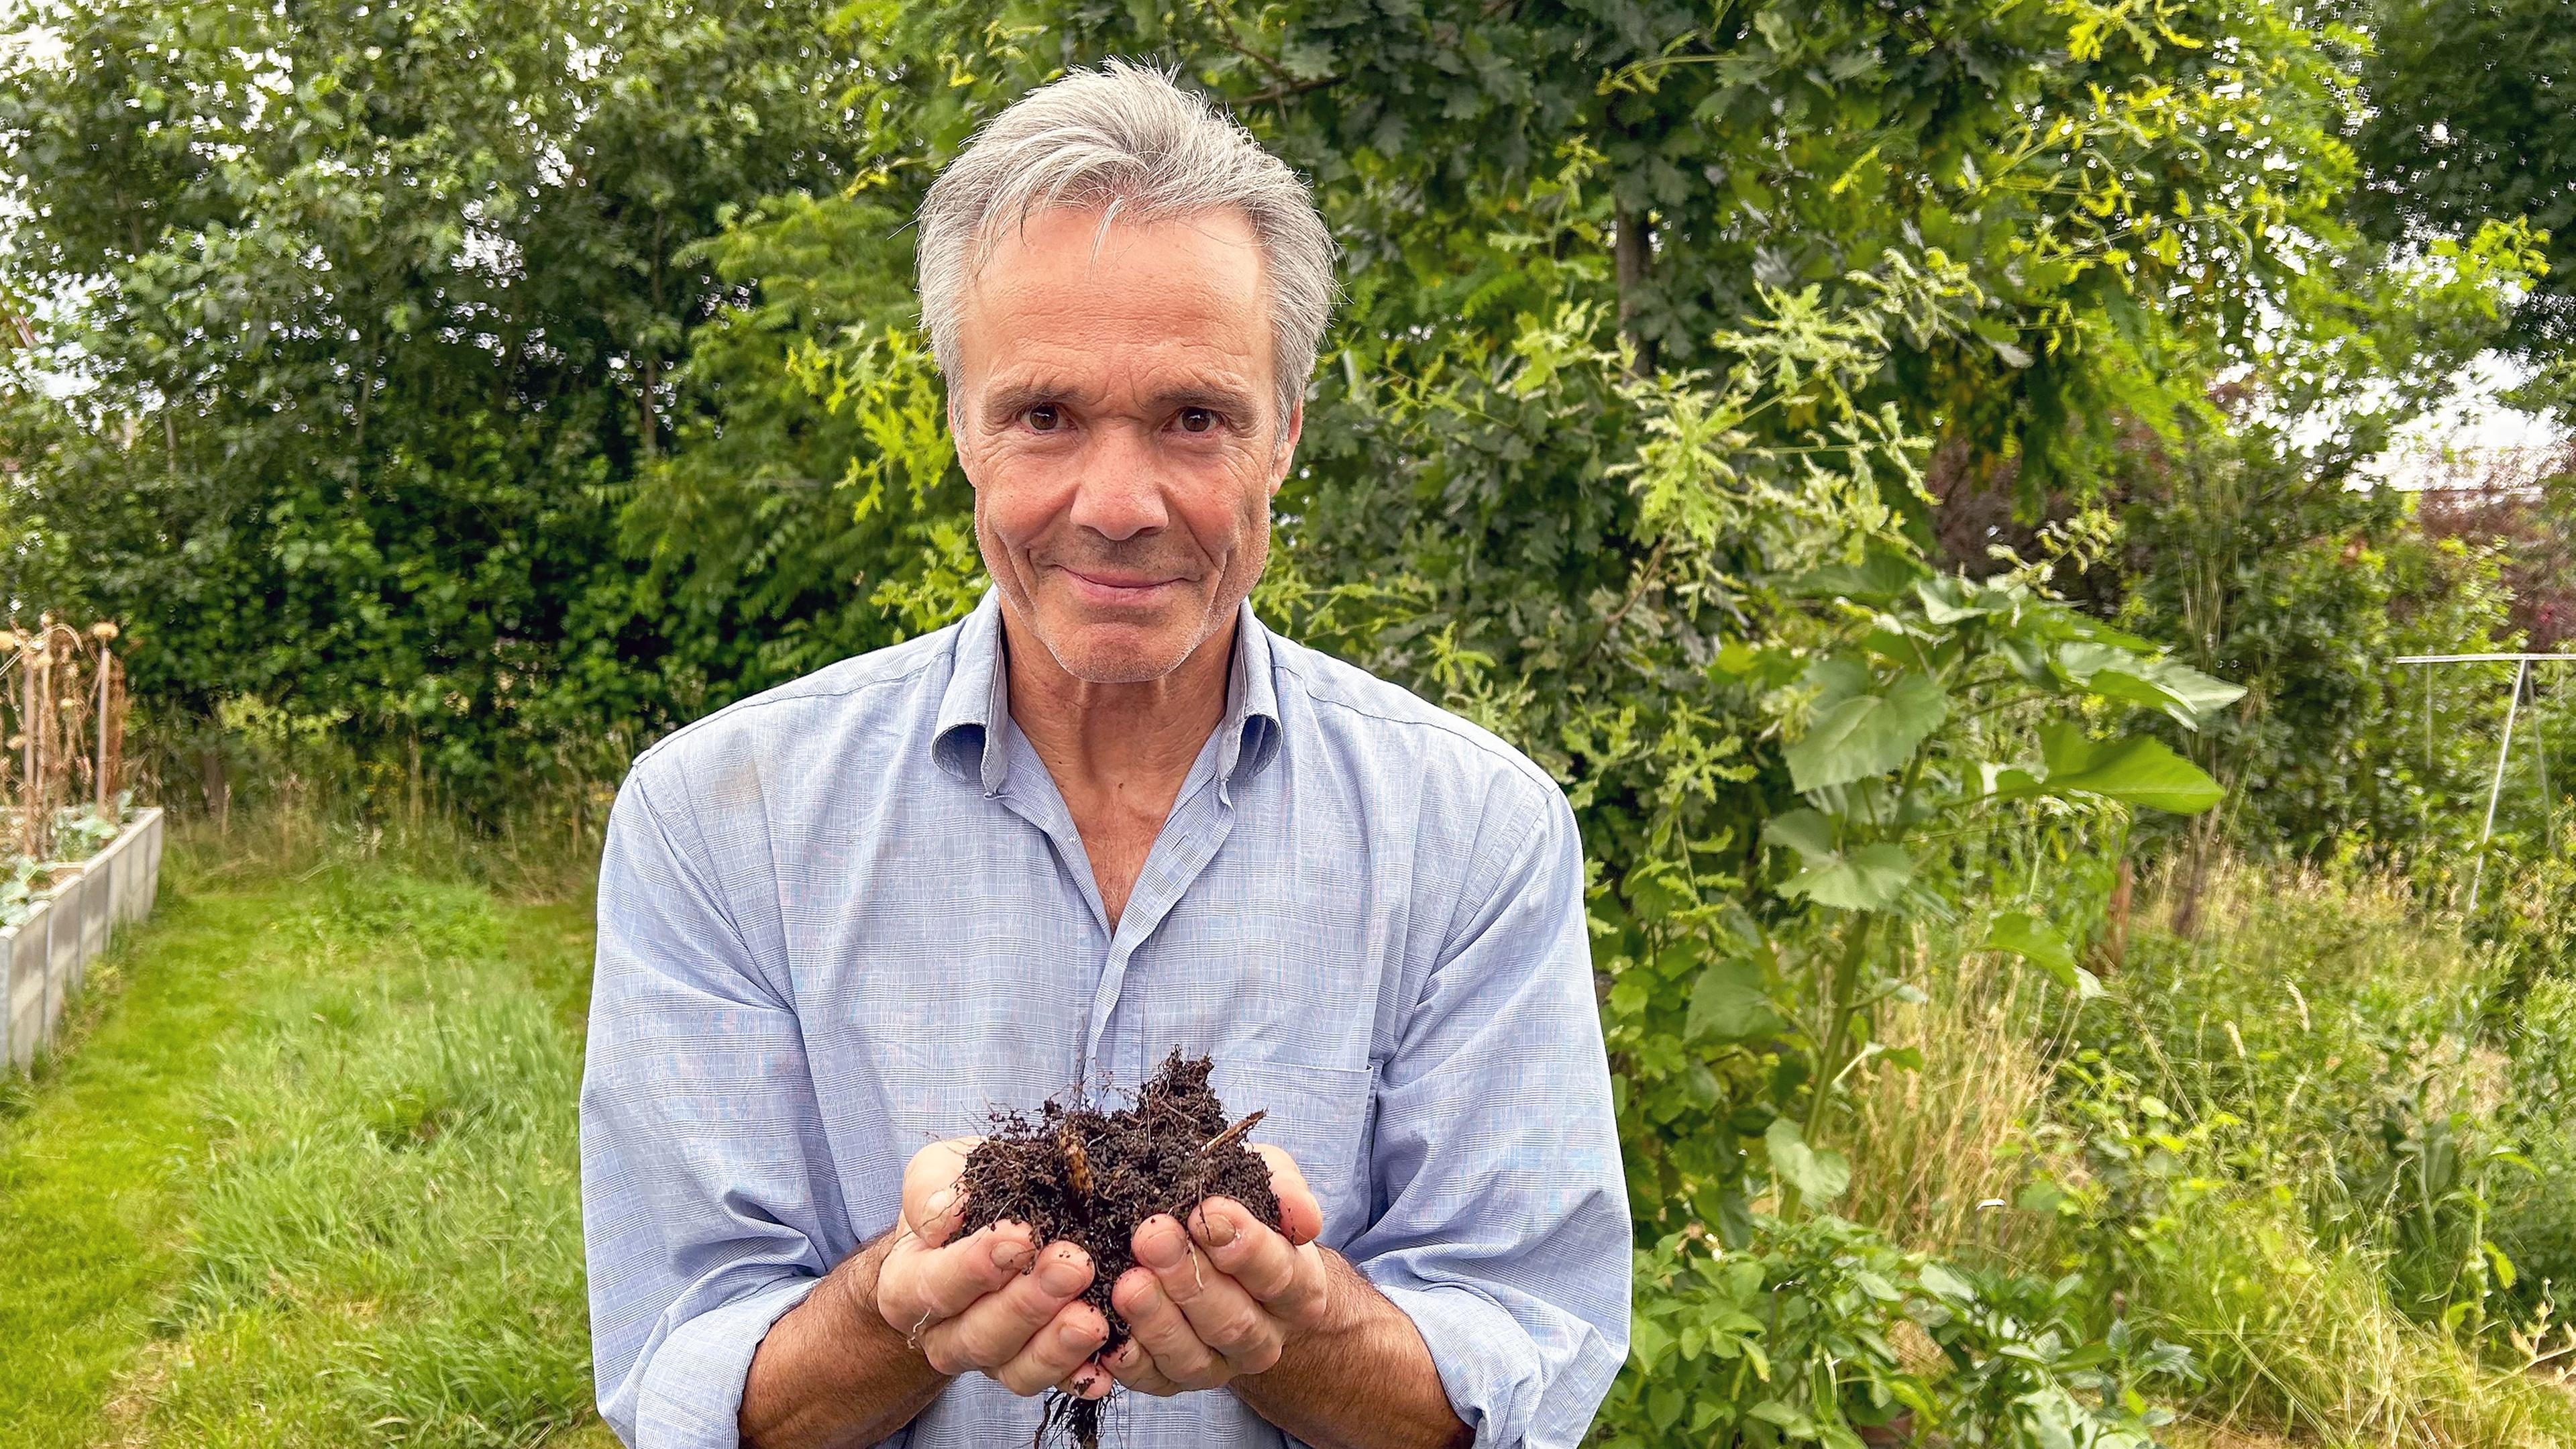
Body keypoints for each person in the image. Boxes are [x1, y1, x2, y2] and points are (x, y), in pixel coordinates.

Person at [578, 60, 1629, 1449]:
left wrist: (1299, 1331)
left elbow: (1521, 1362)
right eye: (1046, 415)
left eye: (1196, 417)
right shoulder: (722, 821)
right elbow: (686, 1377)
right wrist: (896, 1312)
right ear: (962, 426)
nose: (1119, 504)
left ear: (1285, 438)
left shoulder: (1476, 832)